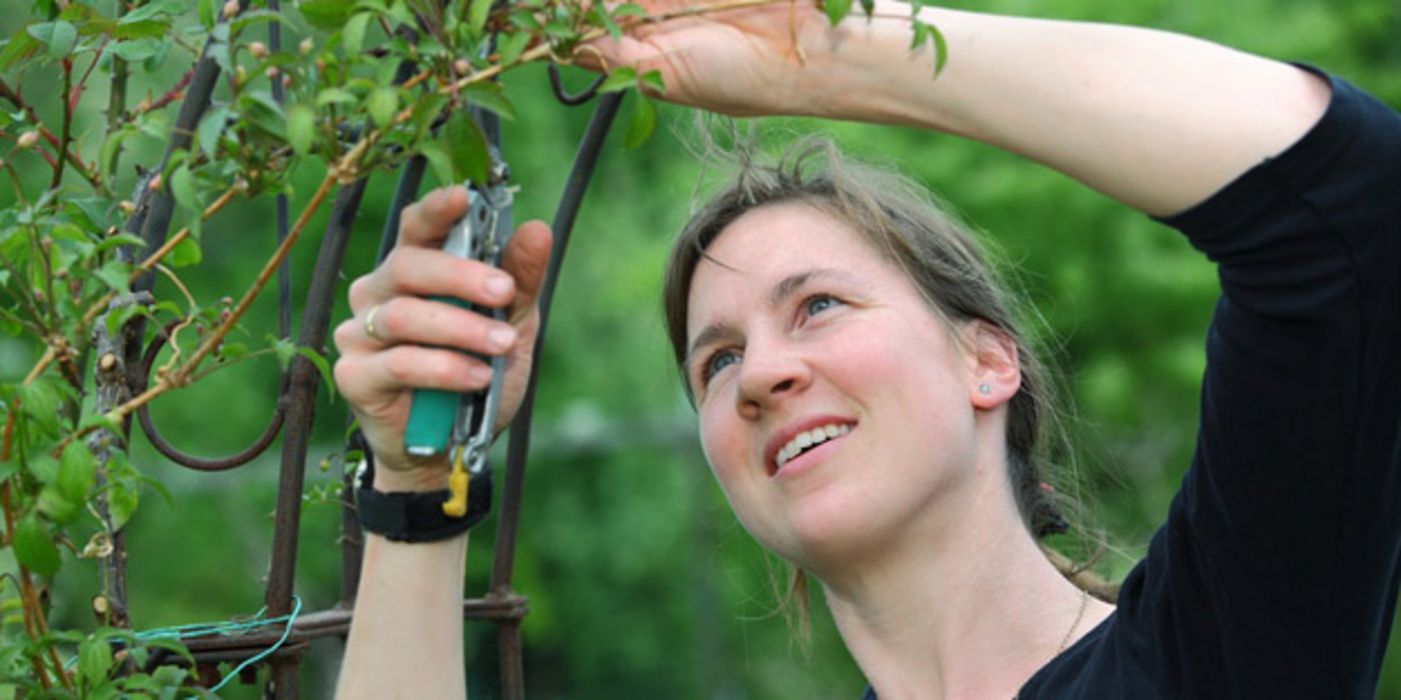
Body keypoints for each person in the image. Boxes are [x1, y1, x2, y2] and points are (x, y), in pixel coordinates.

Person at [331, 1, 1401, 697]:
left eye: (821, 307)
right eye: (714, 361)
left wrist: (826, 53)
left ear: (988, 361)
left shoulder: (1213, 656)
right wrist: (416, 485)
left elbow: (1352, 202)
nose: (760, 374)